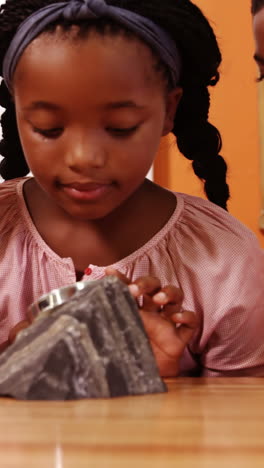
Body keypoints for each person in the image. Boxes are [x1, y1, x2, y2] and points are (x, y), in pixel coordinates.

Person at [0, 0, 263, 378]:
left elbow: (247, 419)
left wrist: (161, 382)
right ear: (16, 108)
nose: (83, 158)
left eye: (120, 127)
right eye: (48, 128)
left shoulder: (225, 262)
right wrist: (16, 369)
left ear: (169, 111)